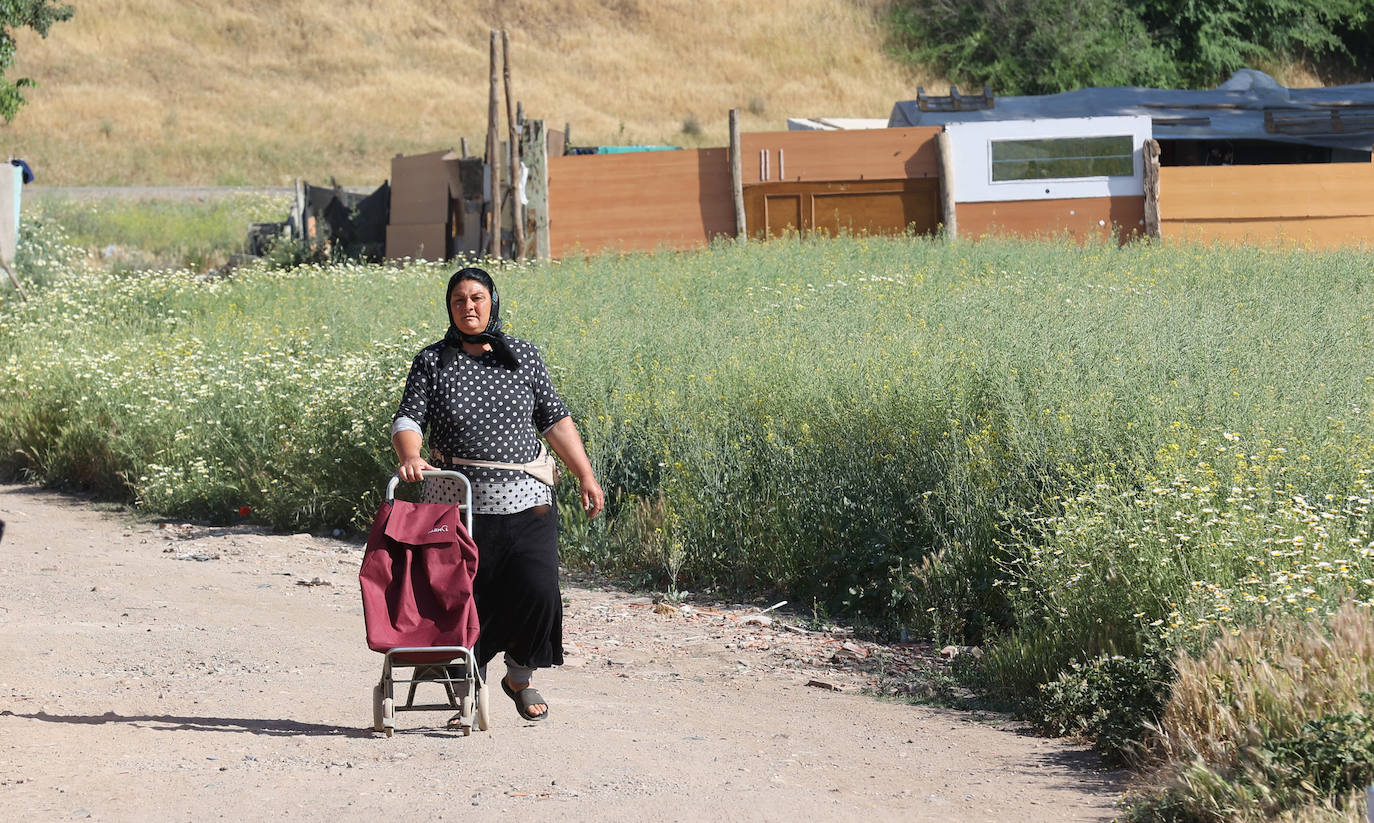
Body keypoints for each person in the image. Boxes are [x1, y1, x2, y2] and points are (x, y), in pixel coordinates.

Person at [391, 266, 604, 722]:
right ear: (449, 309)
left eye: (477, 298)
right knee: (472, 597)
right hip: (462, 503)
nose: (469, 306)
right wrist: (411, 455)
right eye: (459, 301)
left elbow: (555, 420)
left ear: (493, 301)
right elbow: (408, 419)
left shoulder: (523, 355)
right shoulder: (433, 360)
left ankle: (519, 677)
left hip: (530, 497)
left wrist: (585, 474)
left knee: (539, 590)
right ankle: (471, 683)